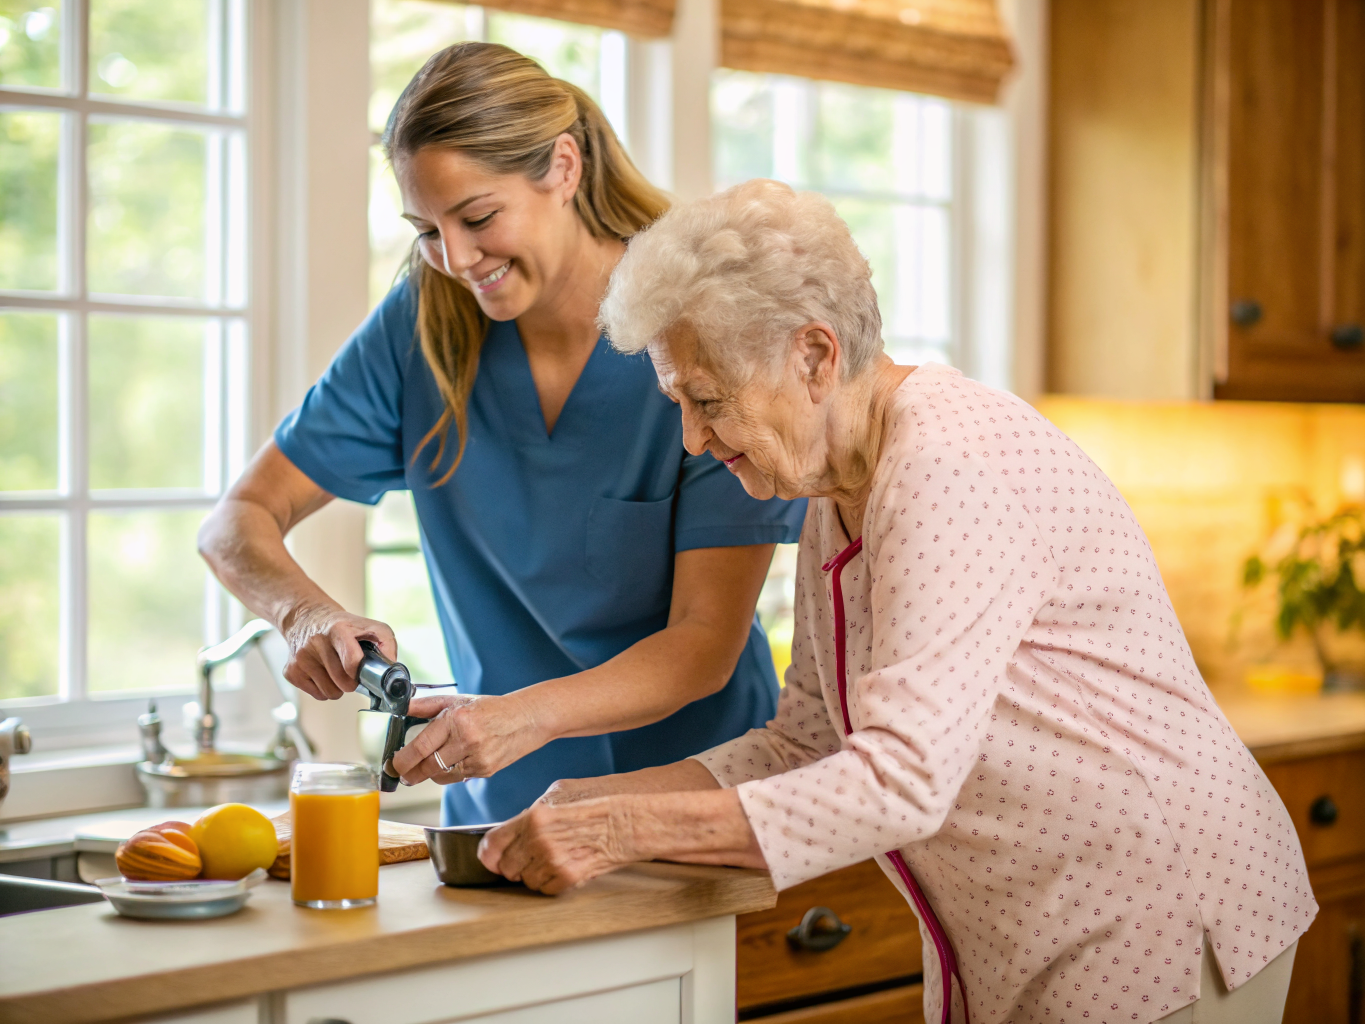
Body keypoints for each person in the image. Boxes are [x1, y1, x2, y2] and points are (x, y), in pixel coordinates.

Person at [472, 180, 1315, 1024]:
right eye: (677, 405)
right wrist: (594, 801)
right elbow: (806, 738)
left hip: (1152, 905)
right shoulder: (830, 485)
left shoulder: (946, 464)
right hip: (1039, 919)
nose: (692, 439)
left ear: (813, 356)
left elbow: (901, 781)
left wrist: (623, 835)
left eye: (708, 400)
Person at [197, 46, 805, 826]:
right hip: (503, 813)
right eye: (426, 230)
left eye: (478, 217)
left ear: (562, 167)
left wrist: (519, 719)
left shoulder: (694, 333)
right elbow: (236, 522)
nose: (454, 259)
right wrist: (306, 616)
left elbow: (702, 645)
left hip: (694, 803)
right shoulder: (422, 328)